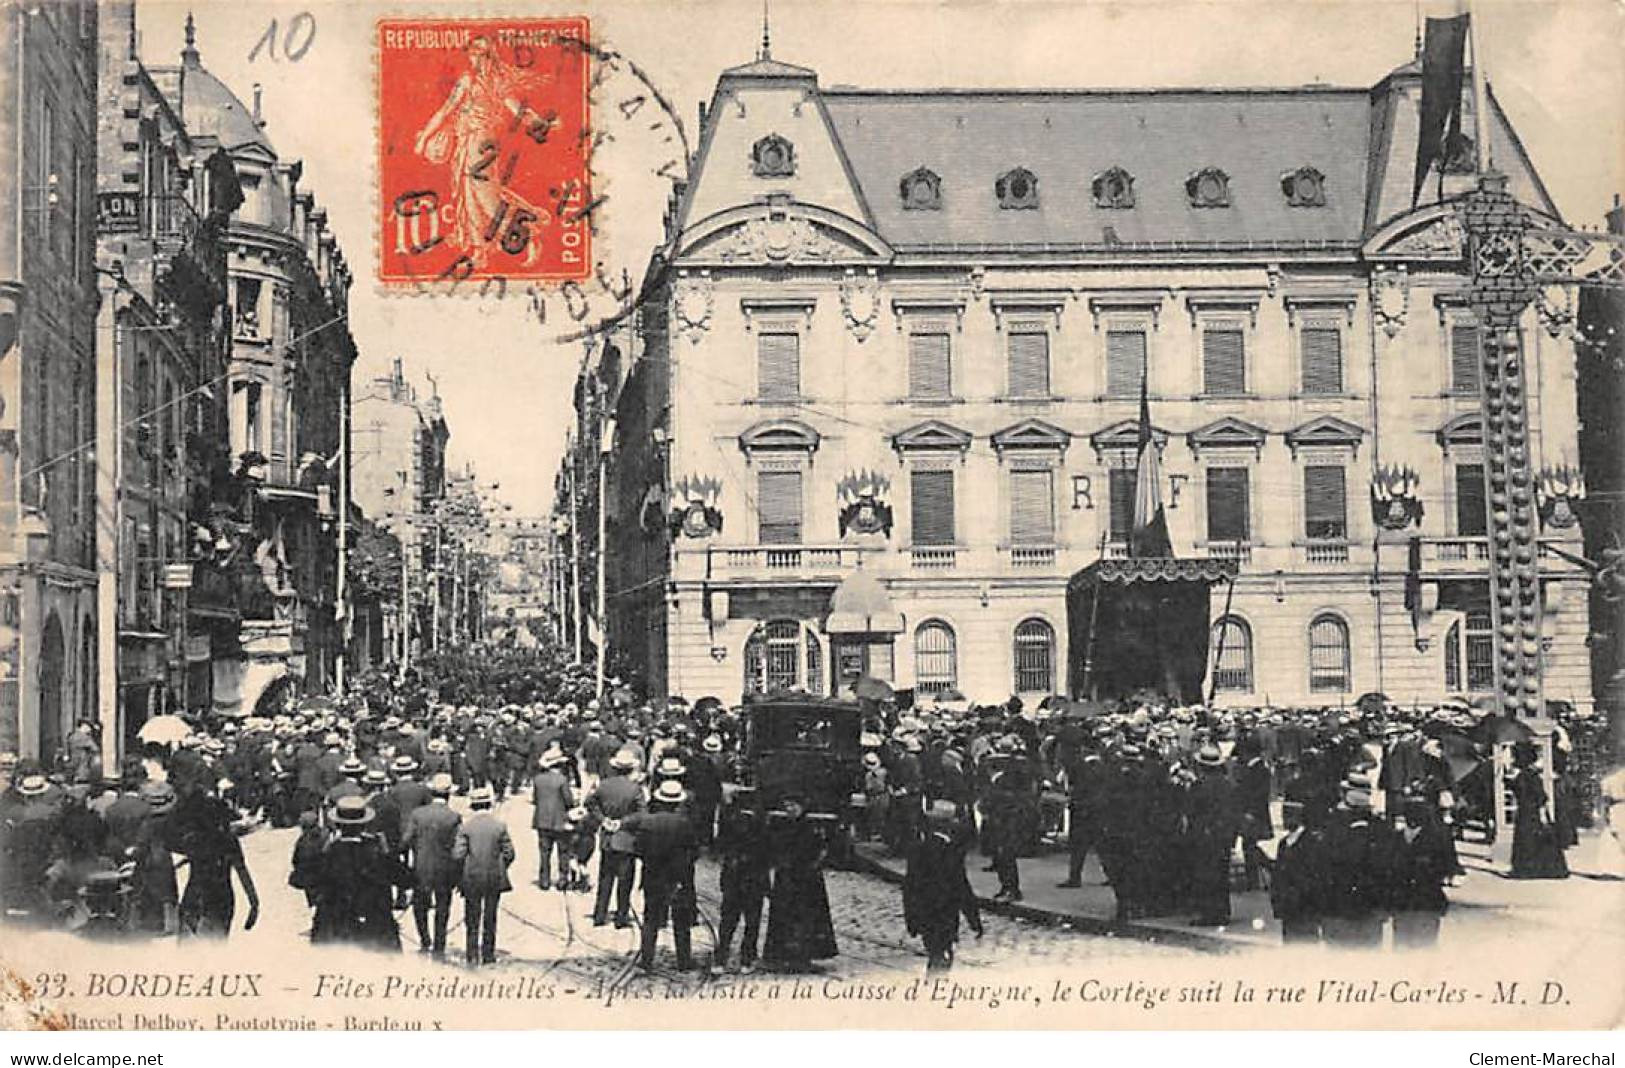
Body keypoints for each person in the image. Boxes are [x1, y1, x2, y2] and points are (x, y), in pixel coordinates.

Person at [311, 795, 413, 951]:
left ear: (338, 824)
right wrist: (387, 854)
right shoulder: (375, 851)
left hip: (335, 928)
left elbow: (301, 878)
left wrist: (324, 851)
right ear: (364, 824)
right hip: (375, 928)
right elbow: (406, 879)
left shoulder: (331, 853)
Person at [624, 779, 698, 971]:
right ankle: (684, 961)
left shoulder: (648, 822)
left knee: (651, 919)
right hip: (679, 878)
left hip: (653, 875)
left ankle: (647, 960)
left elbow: (638, 849)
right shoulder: (685, 824)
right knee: (681, 922)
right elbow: (694, 852)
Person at [763, 795, 838, 972]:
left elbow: (820, 850)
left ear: (802, 807)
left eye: (793, 806)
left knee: (807, 917)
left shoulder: (810, 827)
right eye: (787, 806)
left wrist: (813, 864)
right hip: (787, 878)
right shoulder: (782, 826)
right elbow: (775, 848)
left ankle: (805, 955)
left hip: (807, 880)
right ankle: (783, 954)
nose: (790, 809)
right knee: (784, 916)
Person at [904, 804, 983, 972]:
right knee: (943, 957)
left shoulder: (917, 850)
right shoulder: (951, 851)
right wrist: (974, 920)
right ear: (948, 826)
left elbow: (910, 887)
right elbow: (962, 889)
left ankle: (932, 985)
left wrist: (911, 920)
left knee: (934, 955)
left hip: (926, 916)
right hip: (946, 916)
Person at [401, 773, 463, 957]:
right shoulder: (454, 817)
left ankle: (424, 939)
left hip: (421, 867)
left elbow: (406, 840)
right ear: (448, 795)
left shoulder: (418, 814)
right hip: (445, 869)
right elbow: (459, 847)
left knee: (420, 906)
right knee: (443, 907)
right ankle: (439, 943)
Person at [712, 791, 771, 974]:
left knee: (728, 920)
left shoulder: (730, 822)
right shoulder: (761, 825)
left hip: (734, 876)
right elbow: (768, 855)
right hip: (754, 878)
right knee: (752, 921)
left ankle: (721, 959)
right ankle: (747, 958)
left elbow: (720, 847)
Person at [454, 785, 514, 965]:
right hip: (494, 877)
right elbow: (510, 853)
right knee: (490, 916)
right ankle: (488, 954)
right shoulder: (499, 826)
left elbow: (458, 855)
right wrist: (499, 866)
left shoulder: (466, 827)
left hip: (471, 878)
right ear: (489, 804)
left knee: (472, 917)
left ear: (472, 806)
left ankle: (471, 954)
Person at [586, 748, 644, 928]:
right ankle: (621, 917)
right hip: (626, 840)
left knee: (605, 878)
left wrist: (603, 820)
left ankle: (600, 914)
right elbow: (642, 813)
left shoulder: (603, 785)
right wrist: (623, 822)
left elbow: (590, 803)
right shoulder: (635, 789)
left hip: (607, 839)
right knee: (625, 881)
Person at [1389, 792, 1453, 949]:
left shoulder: (1438, 838)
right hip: (1402, 906)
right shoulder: (1395, 838)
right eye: (1409, 809)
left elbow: (1447, 867)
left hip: (1426, 904)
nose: (1413, 814)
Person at [1185, 744, 1238, 927]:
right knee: (1221, 873)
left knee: (1204, 874)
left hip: (1204, 834)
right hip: (1222, 834)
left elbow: (1191, 809)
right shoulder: (1227, 784)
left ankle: (1208, 913)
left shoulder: (1200, 785)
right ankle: (1222, 911)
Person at [1509, 742, 1569, 879]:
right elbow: (1541, 797)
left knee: (1524, 841)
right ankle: (1544, 869)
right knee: (1541, 840)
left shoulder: (1520, 776)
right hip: (1534, 812)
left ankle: (1524, 869)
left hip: (1523, 812)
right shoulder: (1532, 776)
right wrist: (1544, 814)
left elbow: (1516, 790)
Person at [530, 746, 575, 890]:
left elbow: (535, 799)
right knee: (563, 851)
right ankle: (562, 879)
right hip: (560, 820)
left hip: (542, 820)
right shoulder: (562, 780)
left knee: (544, 852)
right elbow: (569, 801)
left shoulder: (538, 779)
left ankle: (544, 880)